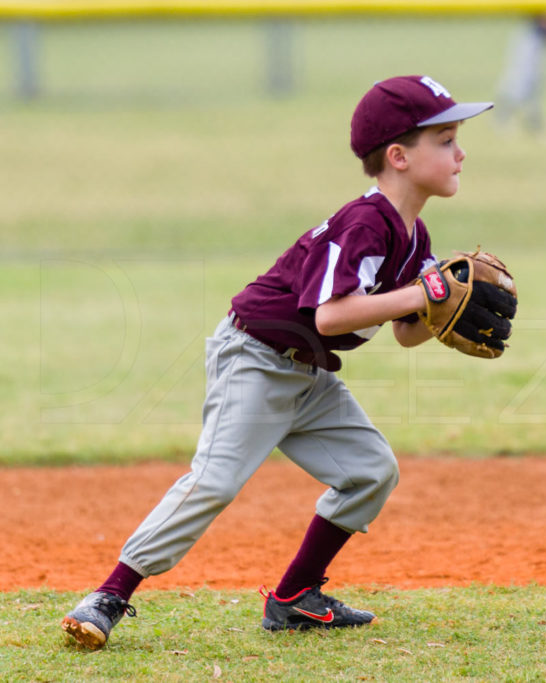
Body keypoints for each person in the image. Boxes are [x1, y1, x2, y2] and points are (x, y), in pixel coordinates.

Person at [60, 75, 493, 650]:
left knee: (370, 469)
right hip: (255, 358)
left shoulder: (414, 237)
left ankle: (294, 598)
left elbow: (406, 334)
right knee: (215, 480)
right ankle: (109, 595)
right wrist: (423, 295)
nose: (460, 151)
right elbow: (331, 317)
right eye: (444, 139)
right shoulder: (364, 221)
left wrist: (442, 310)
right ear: (398, 156)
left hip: (307, 376)